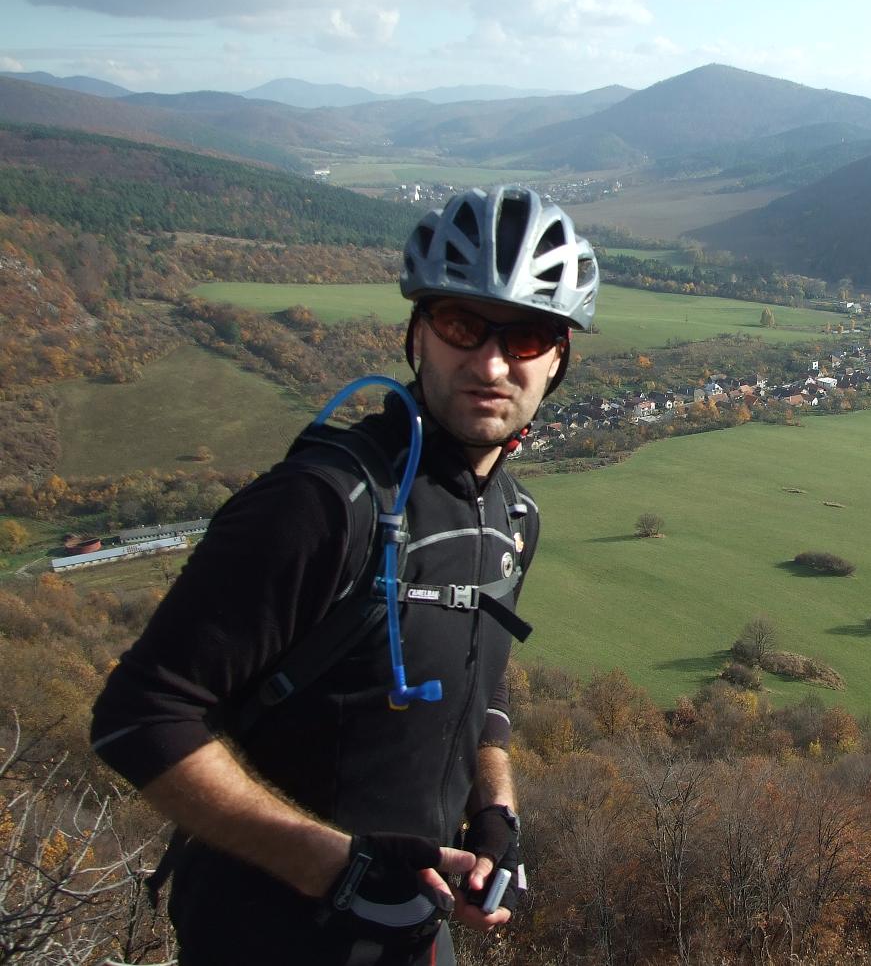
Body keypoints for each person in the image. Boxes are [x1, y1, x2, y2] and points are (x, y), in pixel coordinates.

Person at [91, 185, 598, 966]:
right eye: (462, 325)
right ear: (418, 334)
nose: (492, 362)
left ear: (558, 358)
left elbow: (481, 679)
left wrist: (495, 812)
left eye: (526, 336)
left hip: (411, 928)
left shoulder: (513, 519)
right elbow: (139, 714)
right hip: (259, 937)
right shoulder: (325, 504)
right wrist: (335, 870)